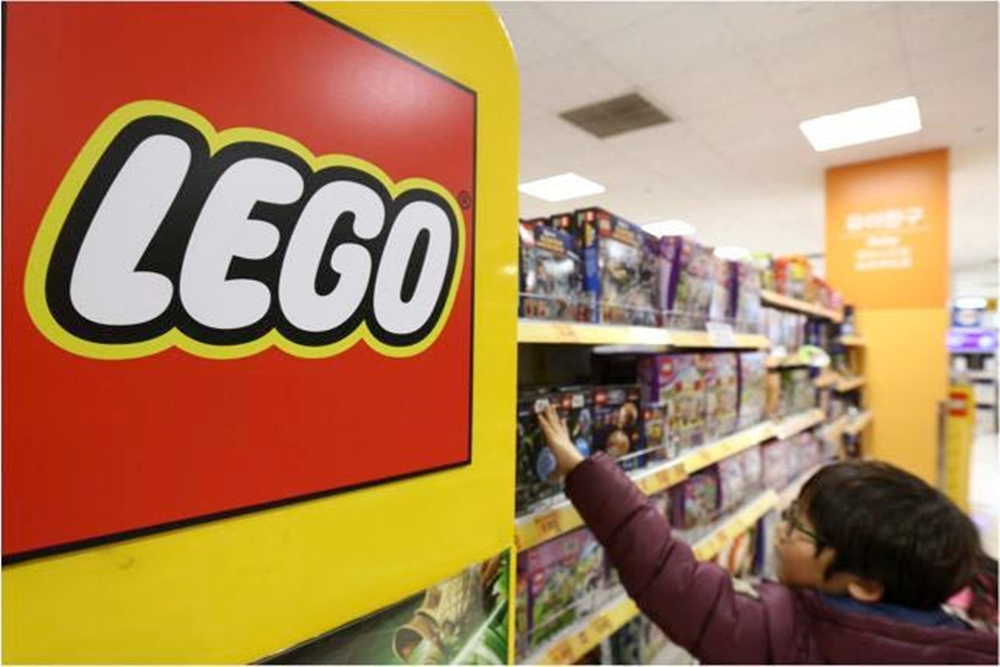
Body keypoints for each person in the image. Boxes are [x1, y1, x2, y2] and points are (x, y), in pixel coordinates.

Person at [537, 405, 998, 664]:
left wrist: (584, 472)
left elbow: (667, 576)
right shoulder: (970, 644)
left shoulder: (785, 638)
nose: (780, 532)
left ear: (865, 585)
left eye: (798, 526)